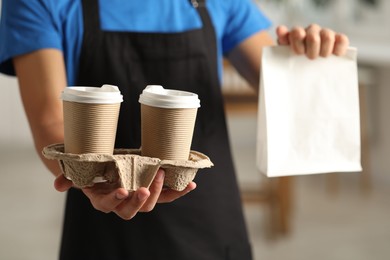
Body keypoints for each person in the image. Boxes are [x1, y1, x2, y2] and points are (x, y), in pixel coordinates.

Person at [0, 0, 349, 259]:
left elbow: (286, 93)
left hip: (210, 225)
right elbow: (50, 121)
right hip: (102, 221)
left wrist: (309, 56)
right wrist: (92, 177)